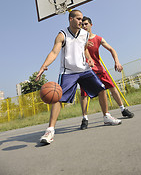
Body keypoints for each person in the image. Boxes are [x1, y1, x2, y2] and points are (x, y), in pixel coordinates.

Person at [36, 10, 122, 144]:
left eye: (82, 19)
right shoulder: (62, 35)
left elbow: (84, 49)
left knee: (102, 89)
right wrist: (44, 65)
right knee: (57, 97)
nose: (81, 21)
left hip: (84, 70)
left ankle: (106, 116)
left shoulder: (85, 34)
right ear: (70, 19)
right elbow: (54, 52)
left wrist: (89, 59)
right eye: (78, 18)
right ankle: (50, 130)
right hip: (68, 72)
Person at [80, 16, 134, 130]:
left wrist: (117, 62)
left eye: (86, 24)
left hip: (99, 69)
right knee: (84, 94)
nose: (84, 26)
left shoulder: (98, 38)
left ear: (91, 25)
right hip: (86, 70)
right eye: (82, 25)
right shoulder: (78, 40)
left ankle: (123, 109)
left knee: (112, 87)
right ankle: (85, 118)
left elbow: (112, 49)